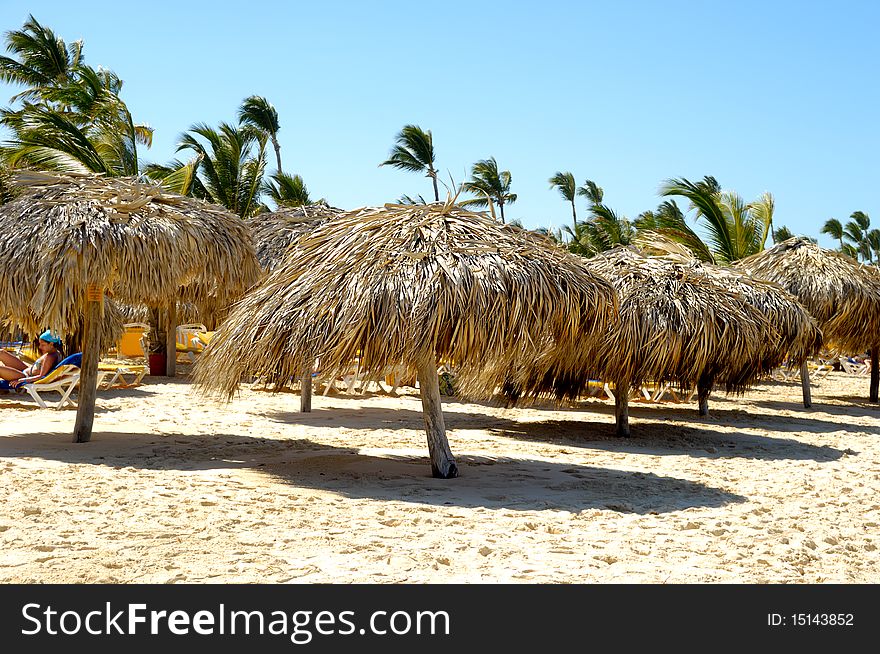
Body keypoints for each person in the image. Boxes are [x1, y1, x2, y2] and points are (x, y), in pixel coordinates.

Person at [0, 331, 64, 389]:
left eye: (43, 345)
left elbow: (41, 376)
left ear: (51, 344)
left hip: (25, 376)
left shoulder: (50, 357)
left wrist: (21, 380)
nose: (40, 347)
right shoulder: (54, 353)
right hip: (25, 371)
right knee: (1, 353)